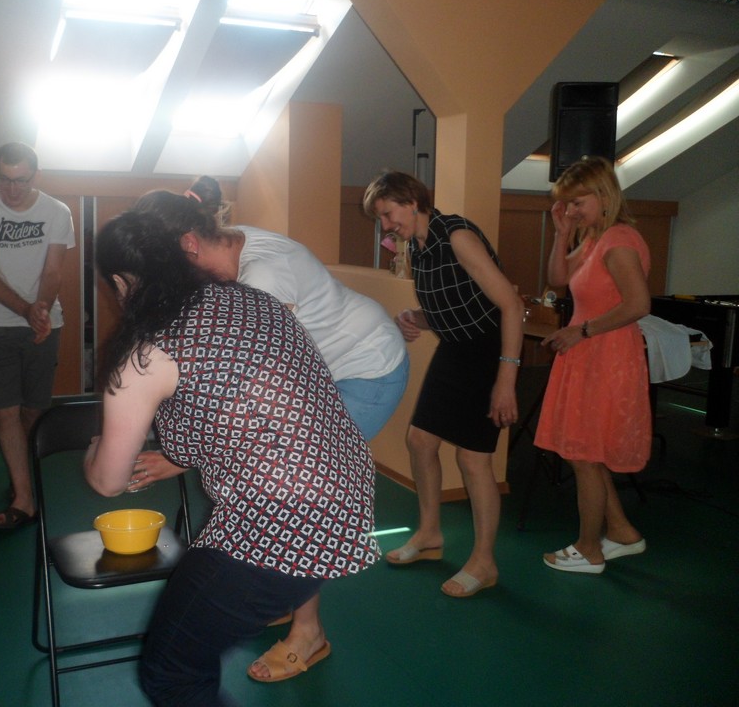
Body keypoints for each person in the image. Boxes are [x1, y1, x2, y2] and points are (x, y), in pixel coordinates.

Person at [84, 210, 379, 705]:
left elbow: (109, 482)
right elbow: (221, 419)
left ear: (120, 282)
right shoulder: (253, 300)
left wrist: (95, 451)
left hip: (282, 522)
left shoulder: (146, 355)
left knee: (171, 673)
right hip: (345, 494)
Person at [131, 189, 409, 679]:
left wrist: (181, 456)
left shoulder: (262, 278)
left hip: (365, 368)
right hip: (325, 371)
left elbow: (251, 389)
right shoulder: (232, 244)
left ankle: (309, 631)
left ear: (190, 243)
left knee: (295, 495)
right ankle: (281, 589)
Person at [363, 170, 523, 598]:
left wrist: (506, 379)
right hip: (455, 350)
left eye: (388, 214)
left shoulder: (457, 237)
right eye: (381, 218)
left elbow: (510, 305)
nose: (385, 226)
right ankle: (430, 534)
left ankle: (484, 562)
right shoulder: (418, 248)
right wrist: (414, 317)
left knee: (474, 460)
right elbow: (451, 306)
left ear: (412, 201)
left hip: (490, 350)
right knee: (420, 441)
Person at [534, 157, 651, 574]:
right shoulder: (594, 239)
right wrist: (562, 233)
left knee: (585, 456)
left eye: (577, 203)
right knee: (586, 452)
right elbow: (557, 279)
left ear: (604, 195)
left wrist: (581, 331)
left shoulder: (619, 241)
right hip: (590, 353)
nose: (571, 210)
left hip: (606, 355)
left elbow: (638, 305)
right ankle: (620, 531)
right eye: (566, 204)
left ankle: (589, 549)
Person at [0, 142, 75, 528]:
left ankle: (21, 477)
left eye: (21, 180)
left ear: (36, 176)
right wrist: (26, 310)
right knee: (5, 412)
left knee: (33, 410)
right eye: (4, 180)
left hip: (44, 324)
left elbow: (54, 270)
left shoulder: (57, 211)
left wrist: (41, 309)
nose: (12, 189)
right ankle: (24, 499)